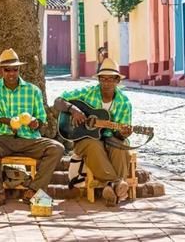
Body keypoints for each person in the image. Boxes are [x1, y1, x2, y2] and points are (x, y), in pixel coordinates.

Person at [0, 48, 64, 207]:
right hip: (3, 138)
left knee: (57, 148)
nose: (12, 73)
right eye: (8, 70)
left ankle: (33, 190)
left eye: (15, 69)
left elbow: (41, 119)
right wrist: (13, 122)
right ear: (1, 70)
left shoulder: (33, 90)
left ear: (19, 69)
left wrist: (35, 123)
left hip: (29, 140)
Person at [53, 58, 132, 206]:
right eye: (103, 79)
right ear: (99, 80)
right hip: (85, 139)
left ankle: (110, 188)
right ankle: (116, 184)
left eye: (111, 79)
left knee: (120, 146)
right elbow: (58, 101)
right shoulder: (88, 93)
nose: (106, 82)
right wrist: (73, 110)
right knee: (94, 145)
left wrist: (123, 133)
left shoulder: (124, 103)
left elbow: (119, 135)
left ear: (117, 81)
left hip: (110, 138)